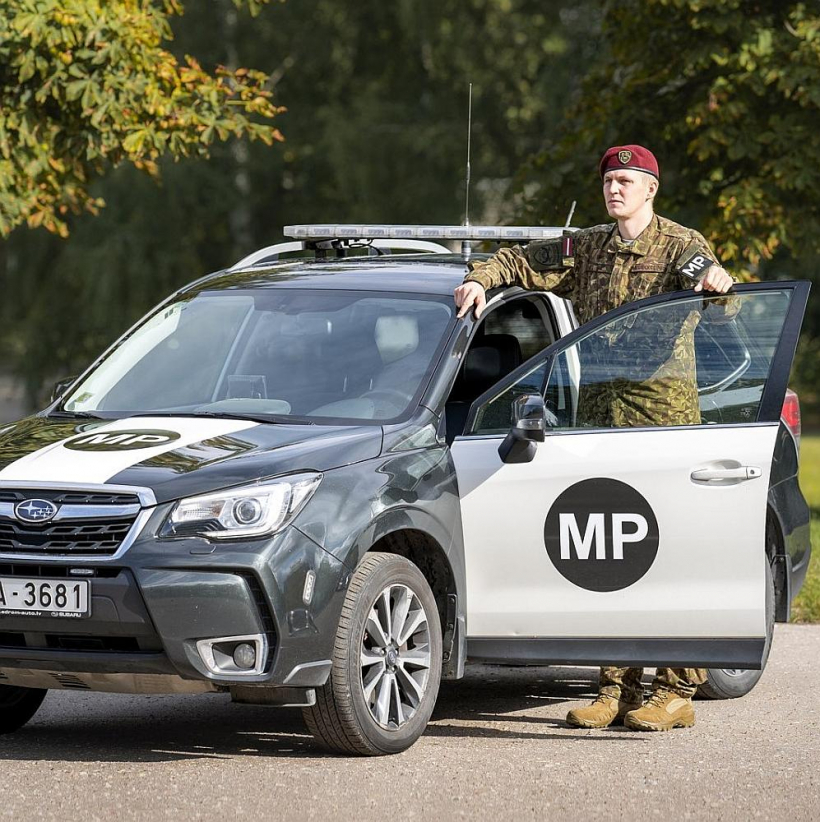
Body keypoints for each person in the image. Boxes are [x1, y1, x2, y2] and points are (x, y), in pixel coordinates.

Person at [453, 144, 735, 732]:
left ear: (651, 188)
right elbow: (517, 262)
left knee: (669, 557)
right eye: (609, 180)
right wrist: (479, 281)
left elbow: (724, 303)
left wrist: (719, 282)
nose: (615, 189)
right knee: (613, 555)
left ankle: (676, 689)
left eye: (627, 181)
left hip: (663, 423)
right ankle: (614, 687)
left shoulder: (683, 245)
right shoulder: (588, 247)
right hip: (602, 421)